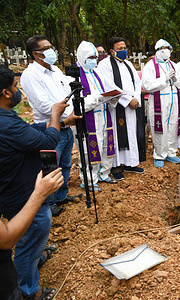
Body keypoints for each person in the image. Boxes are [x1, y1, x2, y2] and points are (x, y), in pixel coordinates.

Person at [0, 66, 79, 300]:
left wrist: (61, 123)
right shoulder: (5, 123)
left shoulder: (6, 118)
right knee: (35, 230)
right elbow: (46, 140)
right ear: (5, 93)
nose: (18, 92)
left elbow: (26, 131)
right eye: (15, 87)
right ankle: (28, 290)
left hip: (14, 185)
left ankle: (35, 259)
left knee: (33, 235)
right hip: (22, 191)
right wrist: (55, 115)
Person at [21, 35, 80, 216]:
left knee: (65, 163)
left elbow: (67, 90)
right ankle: (49, 203)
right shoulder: (30, 75)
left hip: (66, 125)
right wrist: (65, 114)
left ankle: (61, 195)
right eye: (45, 48)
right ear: (36, 54)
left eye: (50, 47)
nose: (50, 51)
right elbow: (43, 105)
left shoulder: (54, 69)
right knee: (49, 168)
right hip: (48, 127)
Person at [0, 169, 63, 300]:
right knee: (33, 233)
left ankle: (33, 262)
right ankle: (29, 291)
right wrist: (39, 194)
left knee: (35, 239)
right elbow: (6, 239)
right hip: (4, 287)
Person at [97, 37, 145, 180]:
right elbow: (109, 85)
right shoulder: (104, 65)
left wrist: (135, 98)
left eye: (125, 48)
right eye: (120, 49)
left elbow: (137, 82)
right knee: (118, 135)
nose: (124, 51)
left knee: (132, 133)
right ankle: (116, 166)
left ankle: (130, 163)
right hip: (116, 106)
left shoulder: (129, 64)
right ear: (112, 51)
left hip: (132, 106)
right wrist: (128, 99)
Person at [74, 41, 118, 190]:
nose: (94, 60)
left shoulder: (97, 73)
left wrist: (113, 98)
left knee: (106, 145)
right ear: (81, 57)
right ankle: (88, 180)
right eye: (90, 57)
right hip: (89, 119)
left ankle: (103, 174)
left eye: (95, 56)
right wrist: (98, 98)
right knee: (90, 149)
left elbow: (106, 92)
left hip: (104, 115)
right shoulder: (75, 77)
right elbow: (78, 105)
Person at [141, 39, 180, 168]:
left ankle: (171, 153)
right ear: (157, 51)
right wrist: (164, 78)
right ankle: (159, 154)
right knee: (159, 127)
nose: (165, 50)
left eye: (167, 48)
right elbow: (147, 85)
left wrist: (175, 79)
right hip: (158, 100)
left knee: (173, 125)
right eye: (162, 48)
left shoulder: (174, 65)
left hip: (173, 99)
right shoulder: (150, 65)